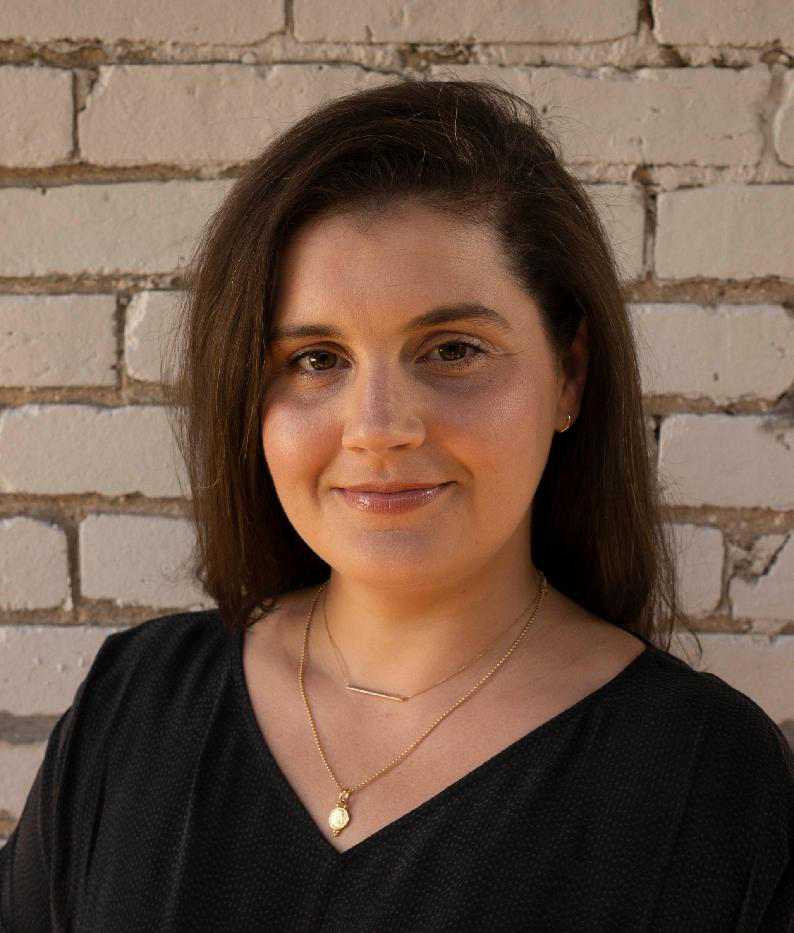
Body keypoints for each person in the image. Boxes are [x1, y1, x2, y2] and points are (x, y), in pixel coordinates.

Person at [1, 77, 792, 931]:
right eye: (316, 359)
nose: (377, 428)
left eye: (452, 349)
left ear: (569, 375)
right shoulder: (136, 704)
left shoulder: (710, 780)